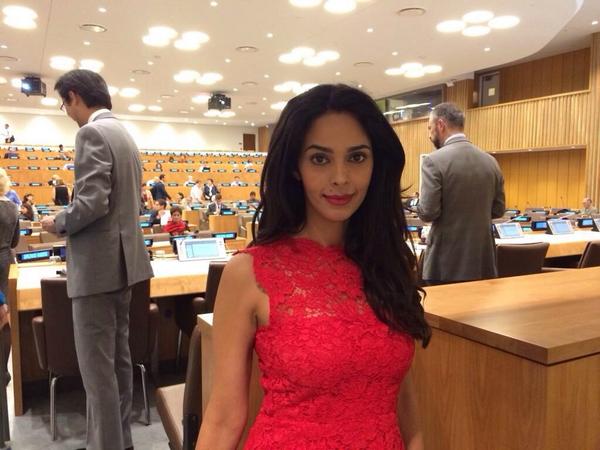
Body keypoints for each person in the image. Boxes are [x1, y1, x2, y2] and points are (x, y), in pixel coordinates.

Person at [198, 84, 430, 450]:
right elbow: (224, 416)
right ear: (295, 168)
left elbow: (401, 395)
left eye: (357, 158)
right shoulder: (250, 272)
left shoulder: (392, 261)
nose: (340, 177)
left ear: (375, 163)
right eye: (320, 159)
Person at [40, 69, 153, 450]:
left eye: (64, 103)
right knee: (118, 364)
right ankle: (120, 441)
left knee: (97, 373)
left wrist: (57, 221)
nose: (66, 111)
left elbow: (91, 203)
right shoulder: (125, 135)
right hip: (124, 268)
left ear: (74, 96)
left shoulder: (90, 132)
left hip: (97, 271)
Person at [417, 102, 505, 284]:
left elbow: (428, 212)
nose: (429, 134)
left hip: (445, 264)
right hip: (483, 262)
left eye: (430, 127)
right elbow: (498, 210)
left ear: (440, 125)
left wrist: (416, 206)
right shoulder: (491, 162)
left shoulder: (433, 161)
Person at [0, 169, 19, 384]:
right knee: (4, 316)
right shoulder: (13, 207)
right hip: (5, 261)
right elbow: (15, 243)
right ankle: (4, 370)